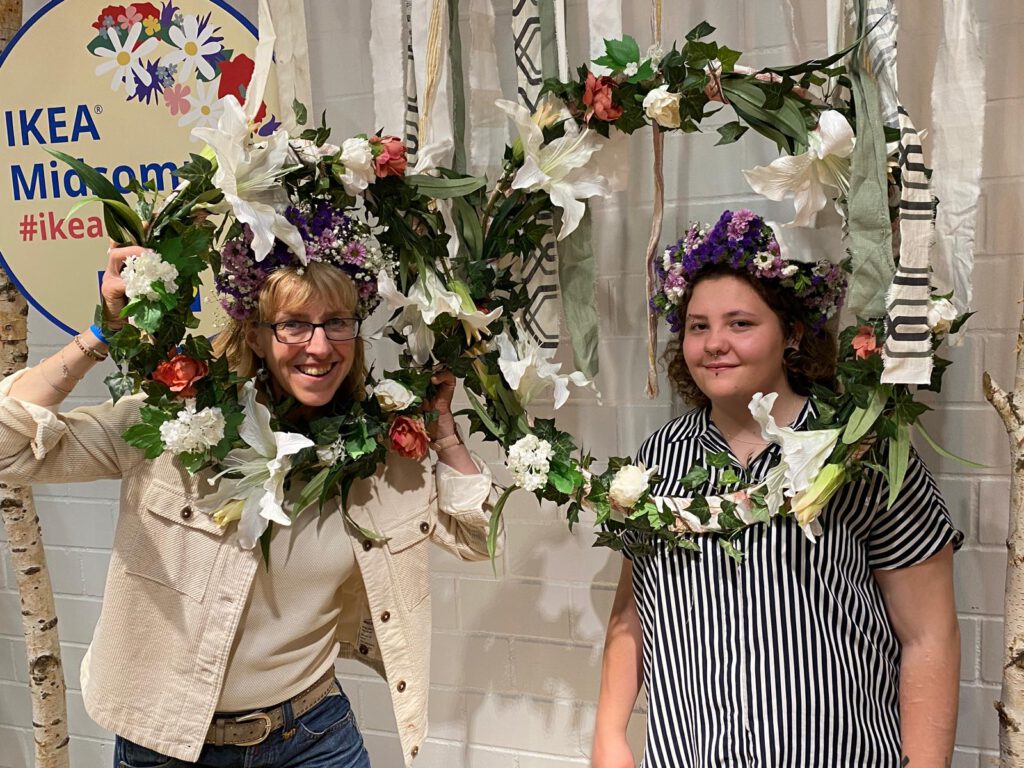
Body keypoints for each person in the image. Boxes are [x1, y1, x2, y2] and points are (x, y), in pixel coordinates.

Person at [0, 243, 496, 768]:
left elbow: (479, 535)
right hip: (167, 745)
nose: (320, 346)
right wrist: (101, 334)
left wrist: (444, 431)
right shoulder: (176, 426)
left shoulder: (376, 450)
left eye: (337, 323)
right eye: (294, 325)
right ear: (257, 336)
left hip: (313, 737)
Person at [591, 210, 961, 768]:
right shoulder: (657, 460)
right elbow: (631, 615)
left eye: (740, 323)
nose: (715, 343)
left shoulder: (859, 449)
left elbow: (929, 636)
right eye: (698, 326)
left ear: (790, 333)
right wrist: (610, 737)